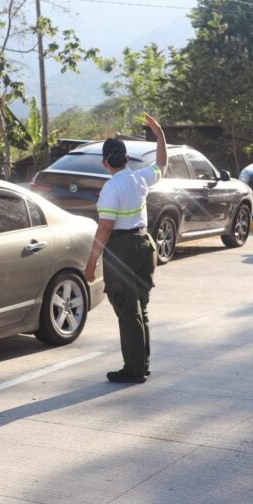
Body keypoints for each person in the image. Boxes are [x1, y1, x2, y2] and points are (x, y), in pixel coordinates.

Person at [85, 113, 168, 383]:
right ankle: (141, 363)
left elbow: (105, 227)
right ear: (126, 159)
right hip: (145, 245)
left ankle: (133, 370)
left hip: (122, 249)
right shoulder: (140, 178)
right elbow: (162, 165)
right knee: (140, 308)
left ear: (105, 162)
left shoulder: (112, 187)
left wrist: (91, 262)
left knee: (126, 310)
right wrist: (160, 136)